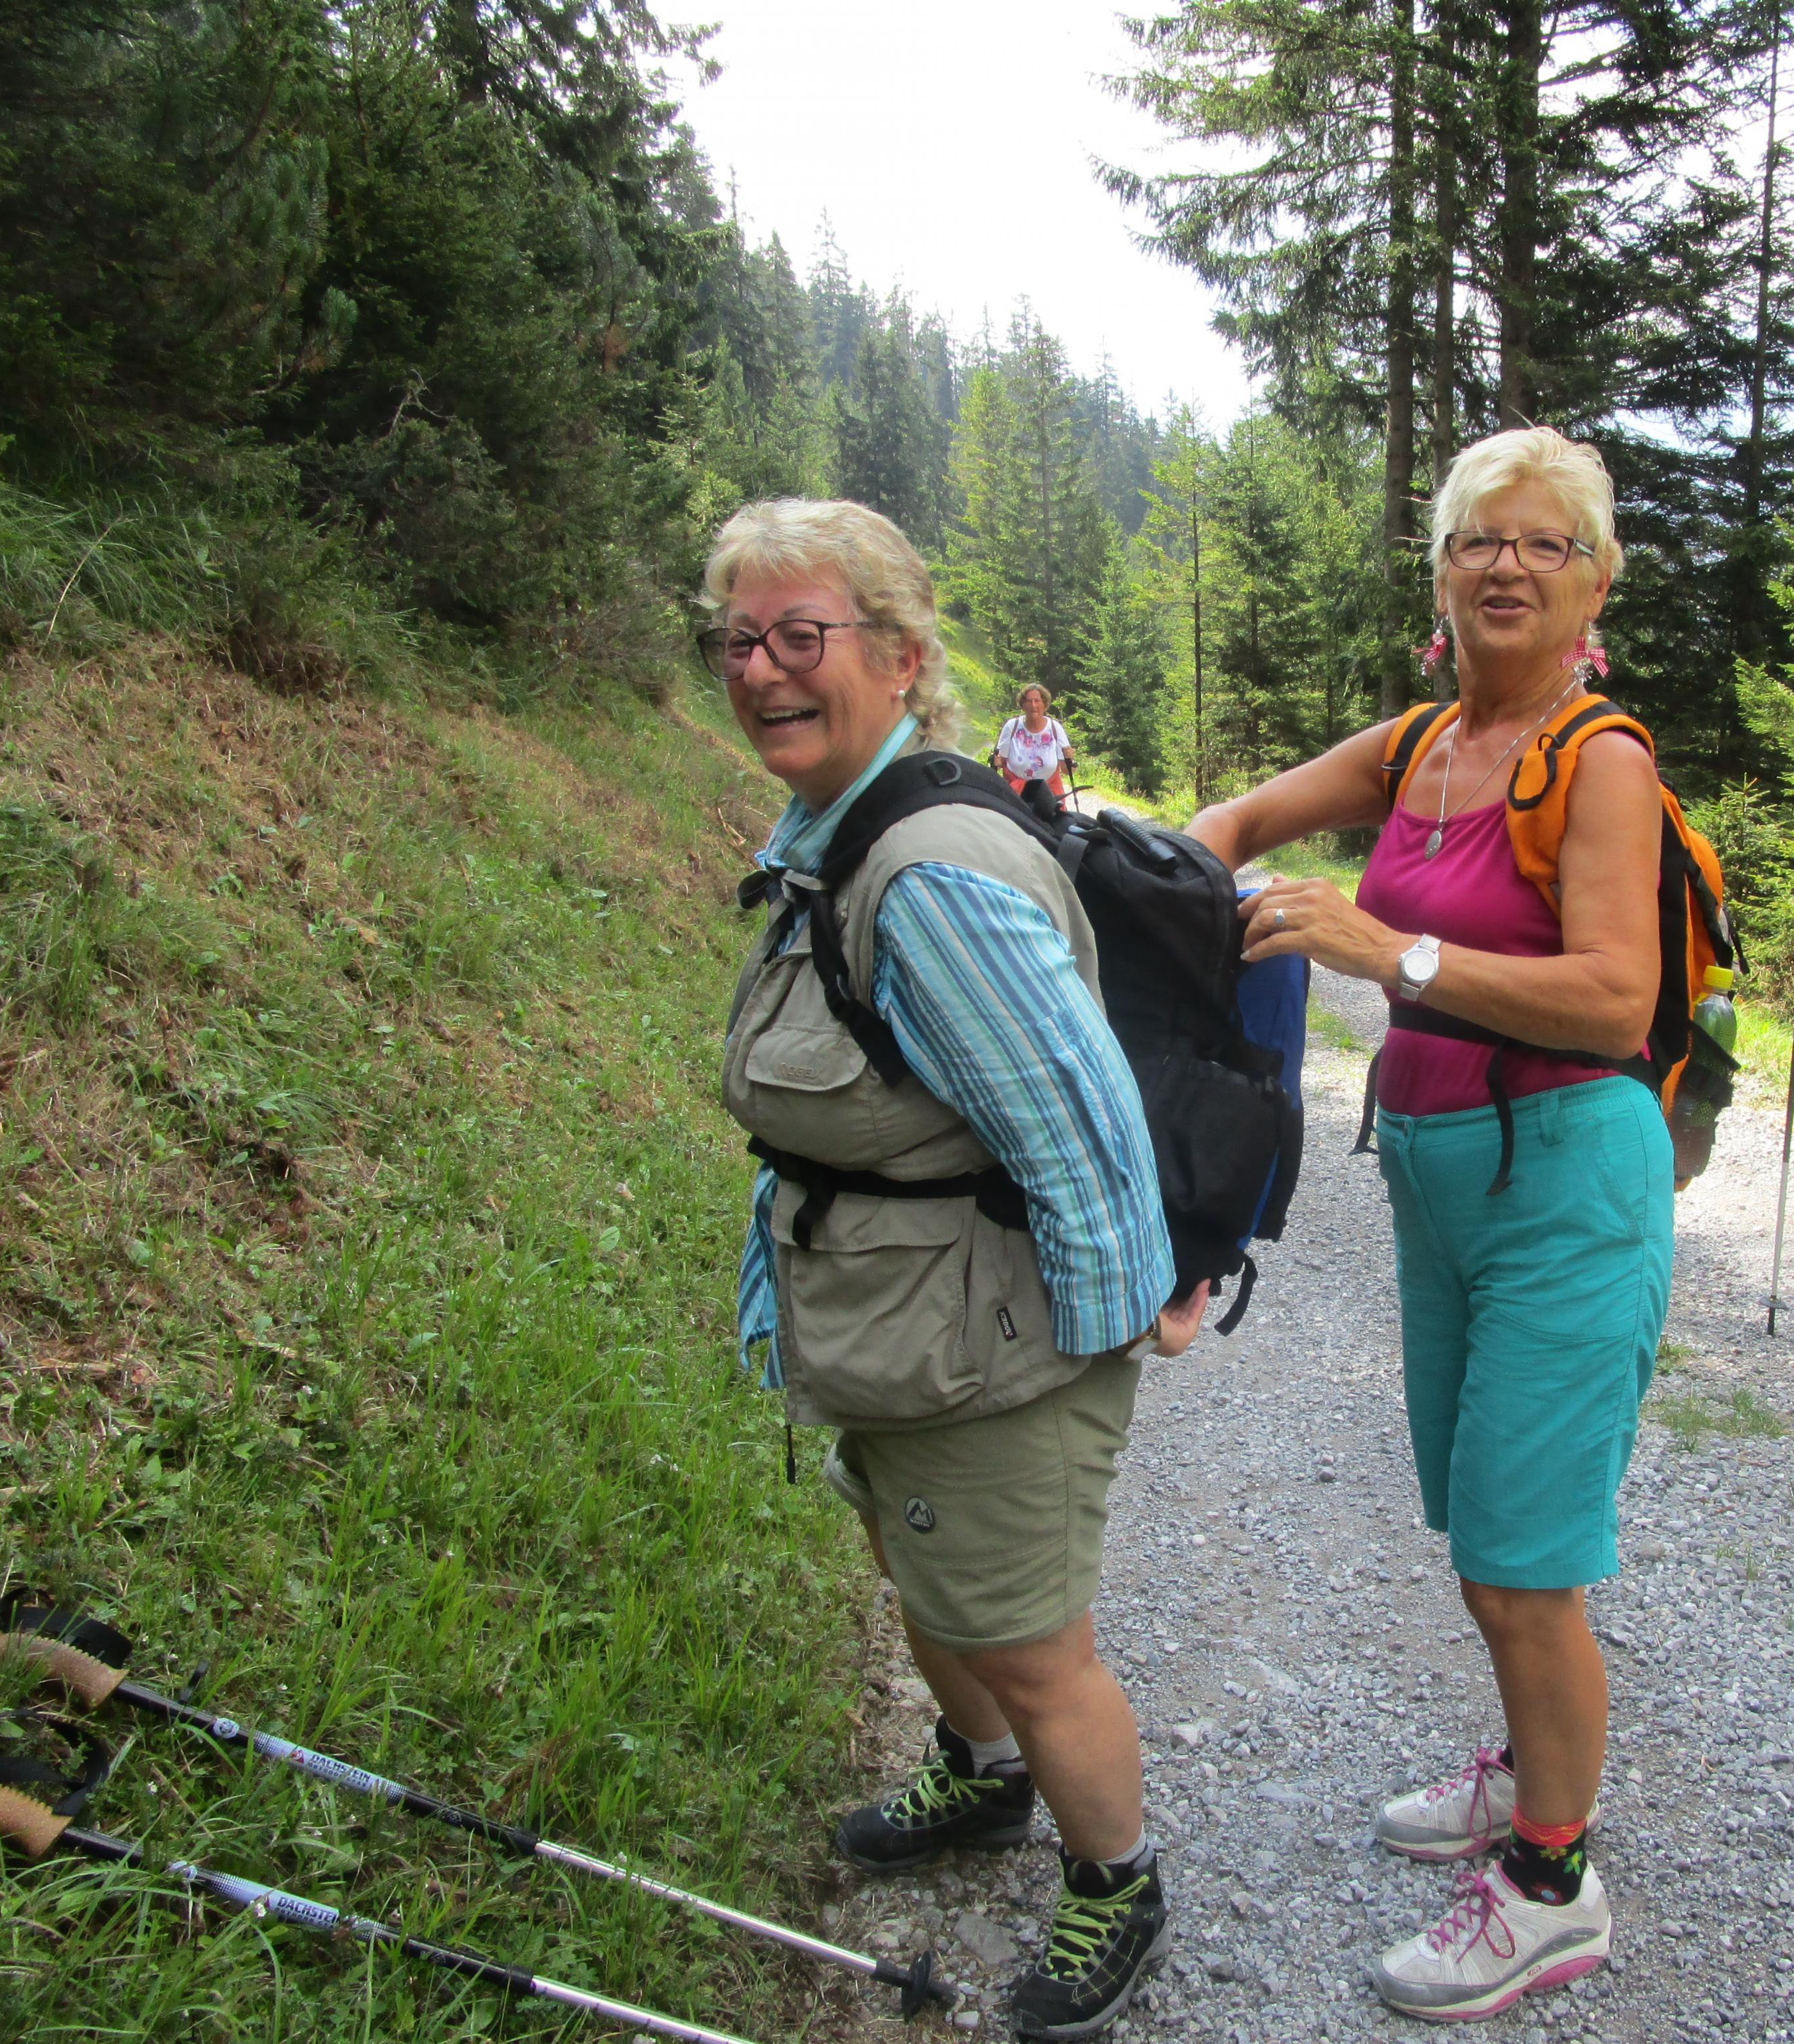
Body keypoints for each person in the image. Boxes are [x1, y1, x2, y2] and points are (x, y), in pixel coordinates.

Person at [704, 498, 1210, 2042]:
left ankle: (1116, 1880)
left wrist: (1093, 1350)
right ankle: (983, 1778)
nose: (763, 668)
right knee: (928, 1573)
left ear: (902, 658)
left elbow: (1083, 1138)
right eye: (739, 639)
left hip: (991, 1352)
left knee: (1034, 1643)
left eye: (803, 635)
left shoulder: (926, 876)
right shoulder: (837, 831)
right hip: (901, 1325)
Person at [1185, 426, 1670, 2023]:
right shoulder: (1419, 744)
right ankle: (1529, 1770)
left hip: (1569, 1185)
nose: (1506, 566)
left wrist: (1389, 955)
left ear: (1593, 583)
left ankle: (1552, 1885)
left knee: (1529, 1561)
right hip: (1442, 1183)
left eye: (1544, 543)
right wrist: (1145, 879)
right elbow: (1238, 819)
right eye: (1478, 540)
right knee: (1480, 1528)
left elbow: (1615, 999)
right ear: (1442, 573)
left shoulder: (1598, 760)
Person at [992, 685, 1076, 802]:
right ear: (1023, 705)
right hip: (1016, 794)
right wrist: (996, 761)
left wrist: (1070, 759)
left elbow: (1067, 771)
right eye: (1029, 701)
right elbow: (1002, 762)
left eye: (1037, 701)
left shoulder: (1055, 728)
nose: (1033, 705)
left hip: (1048, 795)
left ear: (1045, 704)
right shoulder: (1012, 726)